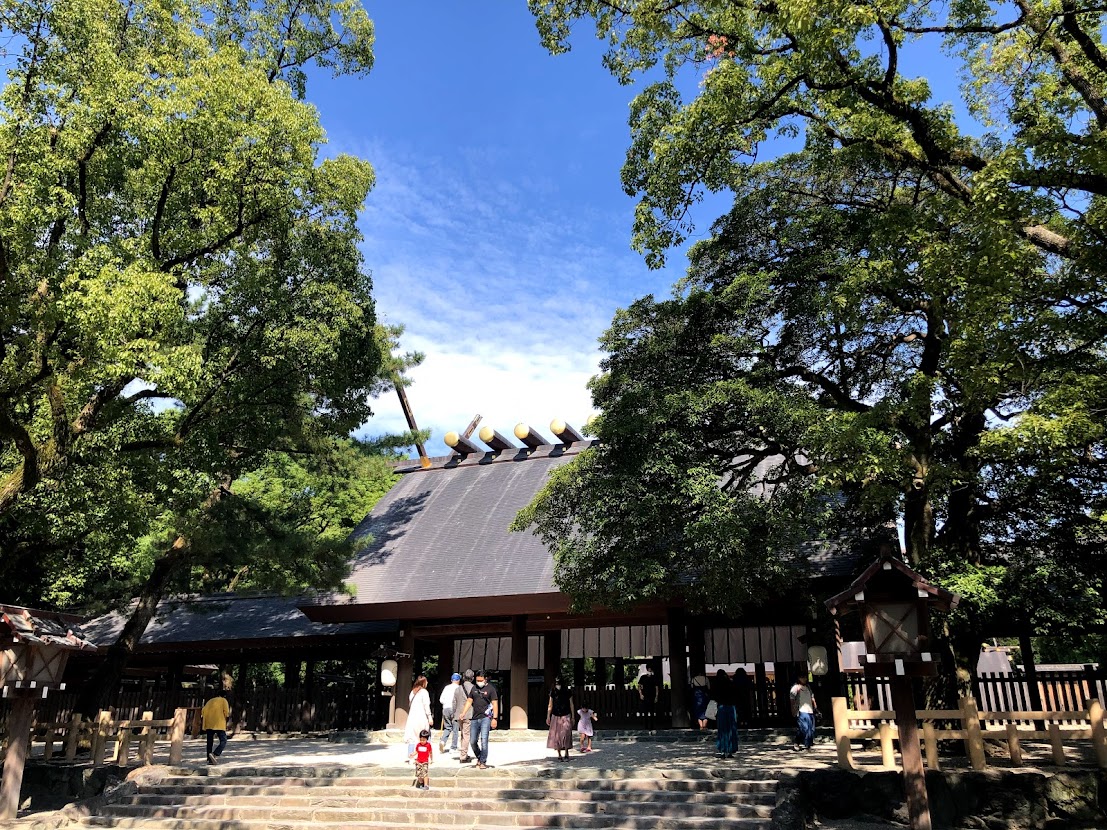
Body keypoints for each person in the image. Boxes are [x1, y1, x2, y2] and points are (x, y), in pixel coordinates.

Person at [456, 668, 498, 769]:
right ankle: (479, 756)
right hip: (474, 717)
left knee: (484, 740)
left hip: (486, 718)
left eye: (481, 680)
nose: (479, 682)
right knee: (472, 741)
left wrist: (495, 718)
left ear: (485, 679)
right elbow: (469, 701)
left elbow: (495, 703)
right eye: (477, 680)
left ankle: (483, 761)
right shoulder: (474, 688)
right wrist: (463, 713)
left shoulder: (491, 689)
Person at [404, 675, 433, 761]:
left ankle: (411, 757)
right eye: (426, 681)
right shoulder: (424, 692)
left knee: (412, 738)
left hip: (412, 717)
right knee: (424, 735)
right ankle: (426, 756)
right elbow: (426, 705)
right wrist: (429, 717)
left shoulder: (412, 692)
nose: (427, 683)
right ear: (423, 682)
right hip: (421, 717)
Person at [545, 676, 574, 761]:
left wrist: (573, 716)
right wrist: (548, 716)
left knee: (566, 734)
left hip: (566, 714)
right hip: (556, 714)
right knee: (556, 735)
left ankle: (566, 752)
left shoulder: (567, 691)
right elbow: (550, 705)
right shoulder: (553, 692)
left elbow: (571, 704)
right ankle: (559, 754)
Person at [712, 669, 739, 759]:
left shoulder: (716, 684)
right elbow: (736, 695)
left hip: (721, 707)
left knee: (722, 729)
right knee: (731, 728)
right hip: (731, 707)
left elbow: (713, 696)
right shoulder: (731, 683)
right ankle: (730, 750)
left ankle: (723, 750)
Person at [201, 689, 230, 765]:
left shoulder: (210, 701)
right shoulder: (223, 700)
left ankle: (209, 759)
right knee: (223, 740)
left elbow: (203, 711)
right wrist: (226, 720)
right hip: (219, 723)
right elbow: (226, 712)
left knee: (210, 742)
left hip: (209, 724)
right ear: (224, 696)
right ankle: (215, 754)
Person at [790, 674, 818, 751]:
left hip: (810, 710)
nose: (804, 679)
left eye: (805, 677)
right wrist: (793, 709)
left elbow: (812, 697)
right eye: (802, 677)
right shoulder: (795, 688)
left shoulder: (808, 687)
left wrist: (815, 706)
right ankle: (804, 743)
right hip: (801, 710)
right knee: (804, 728)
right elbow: (792, 699)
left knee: (811, 729)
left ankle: (805, 743)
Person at [439, 672, 463, 754]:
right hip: (454, 709)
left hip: (446, 708)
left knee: (447, 727)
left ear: (451, 680)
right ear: (458, 680)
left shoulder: (446, 687)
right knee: (455, 728)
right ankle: (453, 747)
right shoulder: (459, 688)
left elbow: (441, 699)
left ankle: (443, 741)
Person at [456, 669, 476, 763]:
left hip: (459, 714)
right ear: (472, 678)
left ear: (463, 677)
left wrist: (455, 713)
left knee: (463, 734)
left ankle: (463, 752)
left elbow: (454, 702)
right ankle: (463, 755)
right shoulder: (474, 688)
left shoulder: (458, 688)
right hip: (469, 714)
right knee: (466, 735)